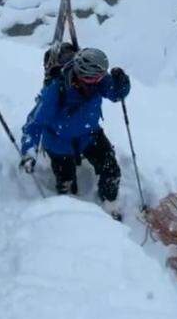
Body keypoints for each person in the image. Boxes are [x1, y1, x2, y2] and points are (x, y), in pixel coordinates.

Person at [20, 47, 130, 218]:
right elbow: (35, 123)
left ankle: (110, 205)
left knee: (111, 170)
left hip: (89, 135)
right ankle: (70, 216)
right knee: (66, 182)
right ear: (84, 75)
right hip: (59, 142)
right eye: (96, 78)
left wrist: (122, 84)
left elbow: (115, 93)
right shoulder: (57, 89)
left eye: (102, 76)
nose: (101, 80)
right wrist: (28, 151)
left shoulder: (97, 80)